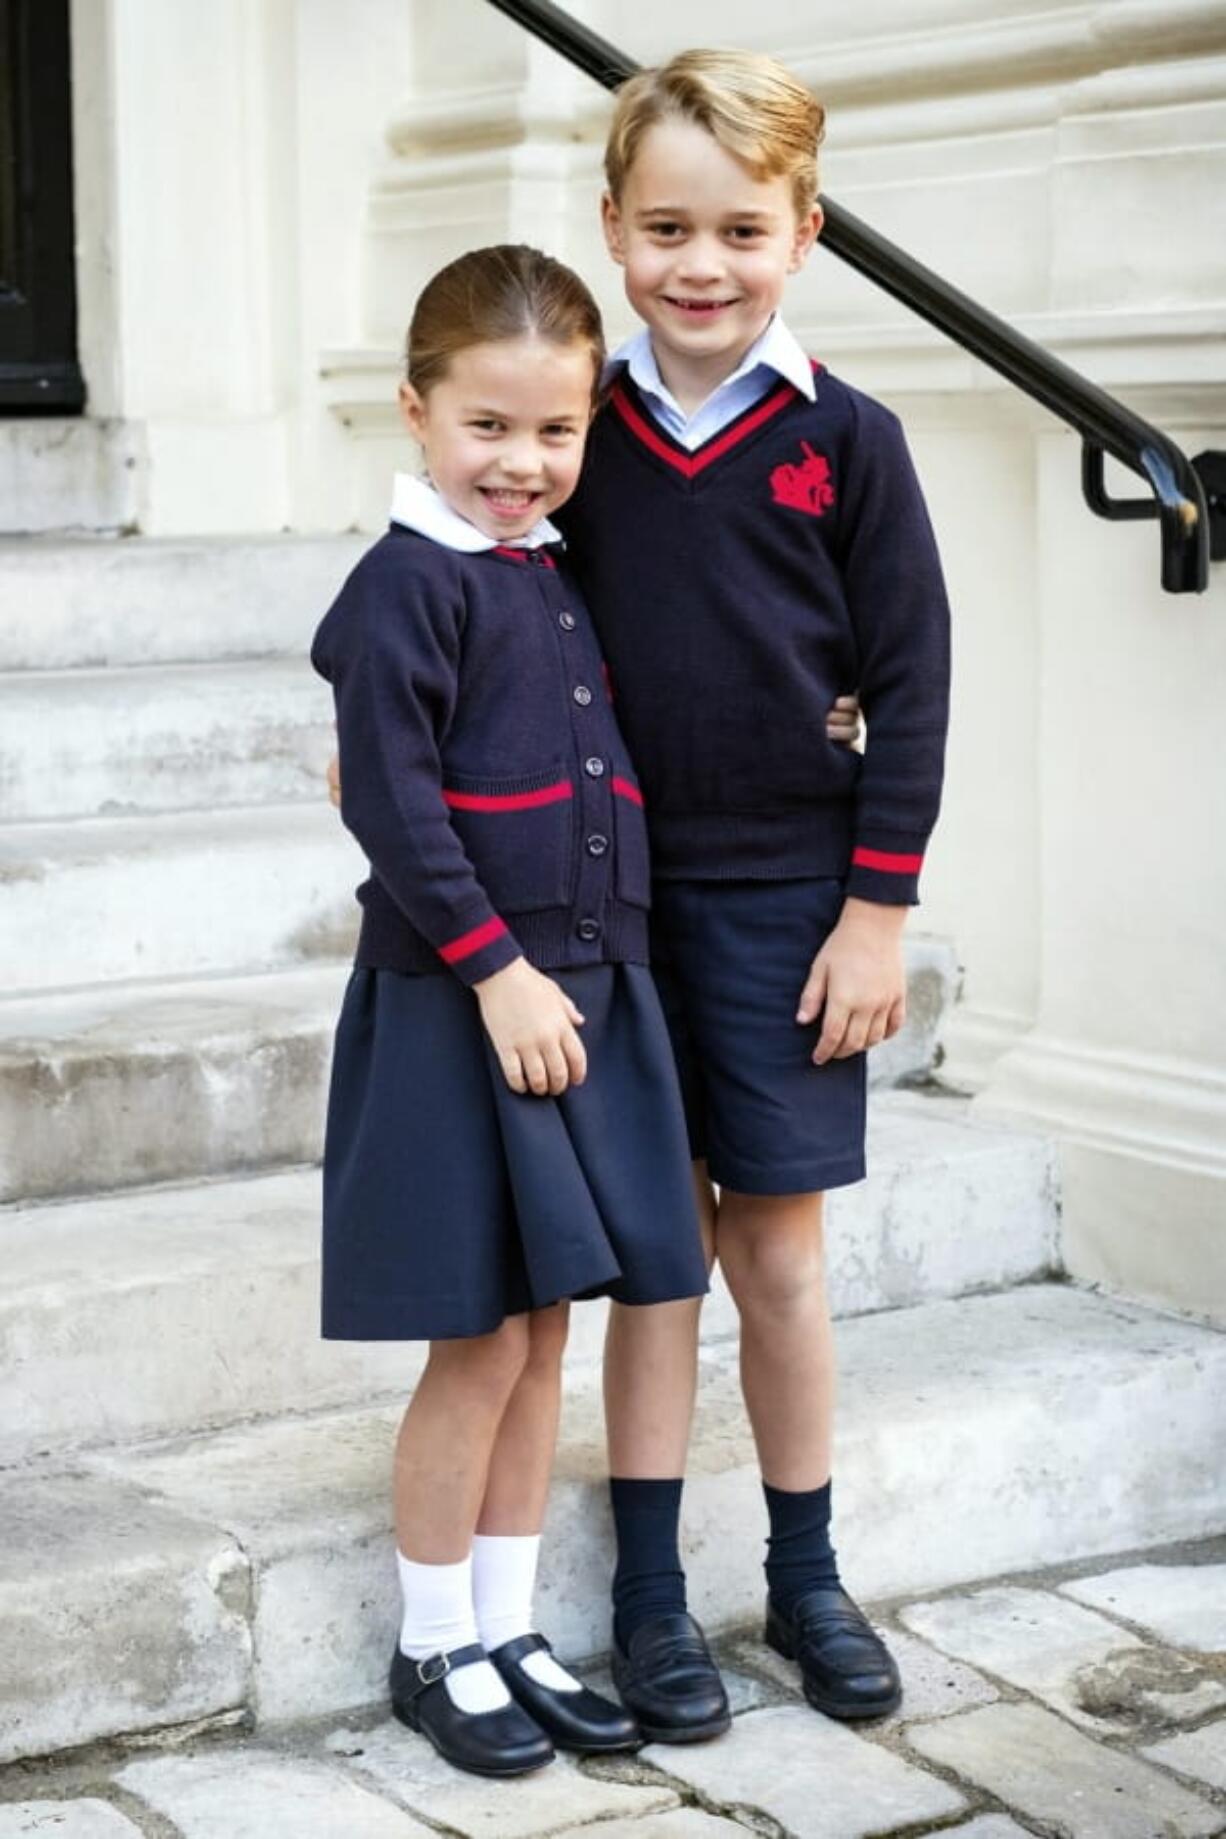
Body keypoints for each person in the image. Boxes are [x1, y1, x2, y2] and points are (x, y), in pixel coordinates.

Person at [552, 48, 951, 1736]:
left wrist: (877, 911)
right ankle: (651, 1607)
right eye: (663, 228)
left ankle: (804, 1579)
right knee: (656, 1263)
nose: (696, 265)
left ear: (804, 234)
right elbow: (482, 593)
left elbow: (912, 681)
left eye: (737, 229)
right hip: (613, 907)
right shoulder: (576, 428)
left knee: (772, 1257)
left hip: (788, 907)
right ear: (611, 228)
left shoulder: (846, 441)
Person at [310, 242, 713, 1778]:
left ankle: (506, 1620)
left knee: (545, 1332)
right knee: (475, 1342)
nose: (523, 463)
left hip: (575, 999)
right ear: (414, 413)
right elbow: (399, 815)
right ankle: (430, 1649)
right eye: (487, 427)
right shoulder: (403, 588)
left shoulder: (536, 563)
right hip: (465, 1004)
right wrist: (497, 970)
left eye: (555, 434)